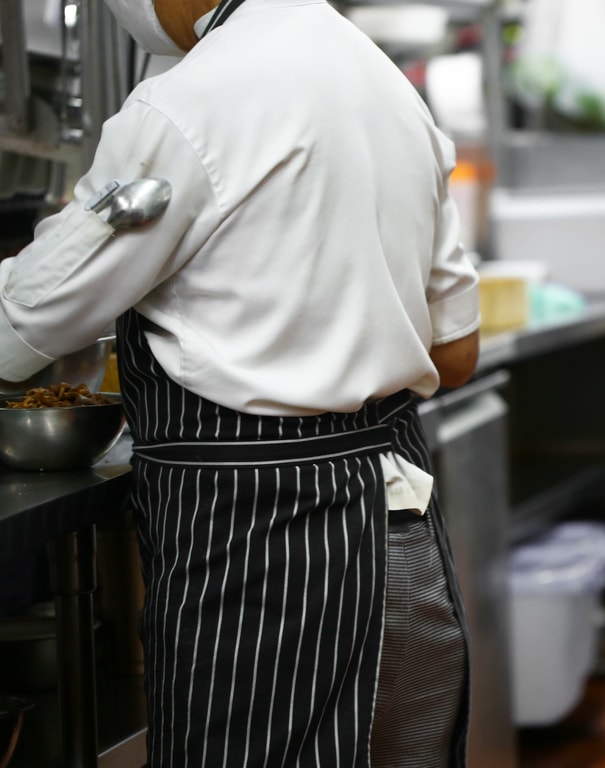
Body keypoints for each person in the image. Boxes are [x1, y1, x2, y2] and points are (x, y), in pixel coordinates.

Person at [0, 0, 480, 764]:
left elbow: (27, 319)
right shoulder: (390, 88)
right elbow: (457, 351)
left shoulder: (190, 99)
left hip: (261, 556)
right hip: (397, 529)